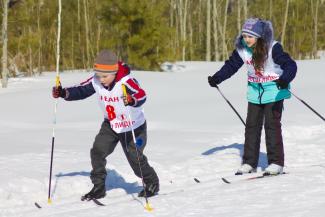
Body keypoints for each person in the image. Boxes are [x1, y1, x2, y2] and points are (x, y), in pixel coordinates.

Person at [52, 50, 159, 200]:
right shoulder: (96, 80)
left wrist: (132, 99)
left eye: (105, 76)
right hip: (111, 125)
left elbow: (142, 95)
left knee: (135, 158)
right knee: (97, 151)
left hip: (133, 127)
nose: (101, 79)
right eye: (98, 75)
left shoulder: (126, 81)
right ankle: (99, 187)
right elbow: (81, 90)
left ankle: (151, 182)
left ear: (114, 72)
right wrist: (63, 93)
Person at [208, 18, 297, 175]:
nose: (246, 39)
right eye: (244, 35)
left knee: (271, 126)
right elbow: (231, 66)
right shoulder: (243, 50)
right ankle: (249, 162)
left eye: (250, 36)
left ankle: (276, 163)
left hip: (275, 91)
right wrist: (217, 77)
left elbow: (290, 65)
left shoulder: (272, 48)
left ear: (259, 36)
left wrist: (285, 79)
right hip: (255, 93)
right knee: (251, 127)